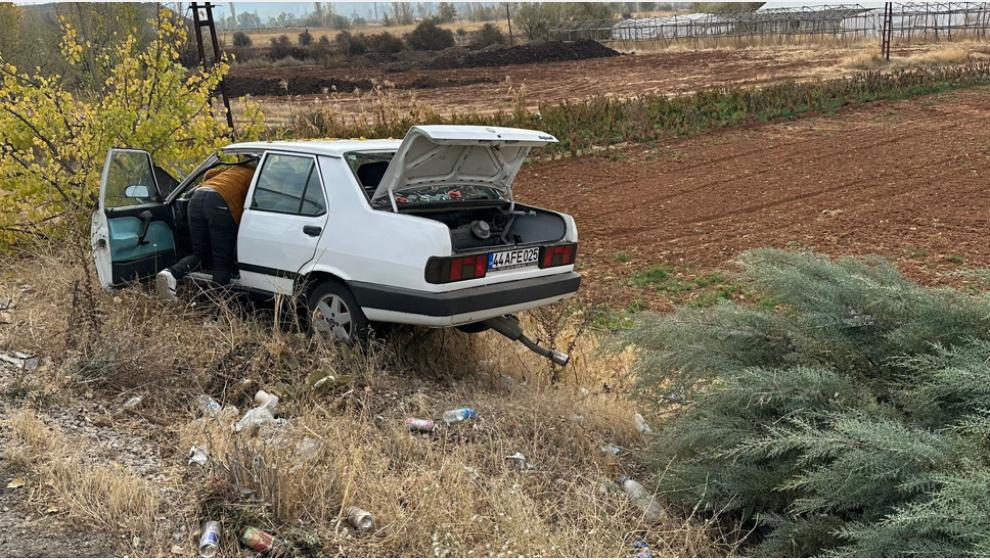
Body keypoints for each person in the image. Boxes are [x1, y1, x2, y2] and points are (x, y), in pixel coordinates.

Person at [156, 162, 256, 301]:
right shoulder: (255, 174)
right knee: (221, 260)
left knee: (200, 253)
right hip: (219, 203)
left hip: (197, 199)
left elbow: (209, 173)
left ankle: (171, 274)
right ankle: (219, 308)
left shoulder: (232, 169)